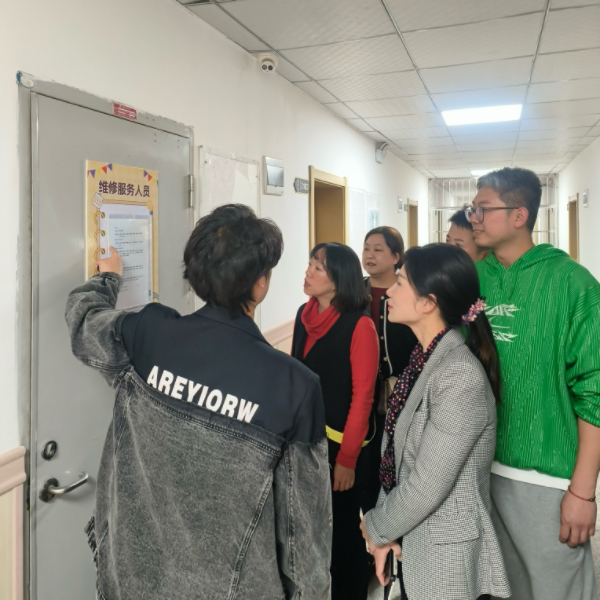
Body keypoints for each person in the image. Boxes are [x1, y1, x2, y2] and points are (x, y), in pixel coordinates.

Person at [65, 204, 332, 600]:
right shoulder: (293, 386)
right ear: (260, 283)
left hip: (130, 578)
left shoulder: (148, 333)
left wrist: (108, 276)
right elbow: (303, 540)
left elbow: (83, 319)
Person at [469, 167, 600, 600]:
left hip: (545, 478)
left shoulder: (572, 284)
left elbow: (594, 392)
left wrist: (582, 492)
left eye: (483, 209)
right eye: (472, 209)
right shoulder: (475, 279)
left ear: (519, 215)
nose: (474, 218)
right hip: (480, 469)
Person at [360, 243, 511, 600]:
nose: (389, 292)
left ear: (428, 303)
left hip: (445, 555)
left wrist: (376, 528)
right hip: (414, 539)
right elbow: (396, 460)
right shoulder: (424, 358)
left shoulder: (459, 374)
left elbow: (427, 484)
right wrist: (386, 533)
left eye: (400, 283)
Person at [291, 242, 379, 600]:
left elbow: (363, 399)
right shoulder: (304, 314)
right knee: (310, 526)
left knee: (342, 531)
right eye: (310, 264)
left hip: (340, 449)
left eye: (318, 268)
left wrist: (347, 460)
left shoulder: (360, 325)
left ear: (339, 279)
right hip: (304, 443)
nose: (309, 272)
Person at [362, 226, 417, 598]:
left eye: (378, 249)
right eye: (366, 248)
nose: (369, 255)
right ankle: (374, 546)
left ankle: (402, 547)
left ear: (397, 257)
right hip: (366, 404)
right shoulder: (354, 292)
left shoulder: (408, 291)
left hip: (403, 397)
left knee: (400, 471)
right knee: (369, 473)